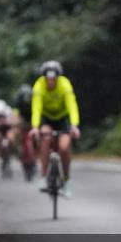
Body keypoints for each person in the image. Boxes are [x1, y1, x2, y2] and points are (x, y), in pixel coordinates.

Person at [29, 60, 81, 198]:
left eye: (54, 79)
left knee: (64, 148)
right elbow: (36, 108)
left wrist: (74, 125)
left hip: (62, 118)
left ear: (58, 77)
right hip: (46, 118)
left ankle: (67, 180)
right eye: (48, 79)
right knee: (45, 138)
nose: (51, 82)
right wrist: (35, 127)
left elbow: (72, 105)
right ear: (44, 77)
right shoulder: (39, 86)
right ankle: (44, 176)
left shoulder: (64, 84)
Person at [12, 84, 36, 179]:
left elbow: (37, 112)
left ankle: (36, 150)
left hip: (32, 118)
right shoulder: (18, 101)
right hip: (22, 119)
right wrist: (16, 124)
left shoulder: (34, 100)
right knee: (16, 132)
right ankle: (19, 148)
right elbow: (15, 114)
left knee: (37, 135)